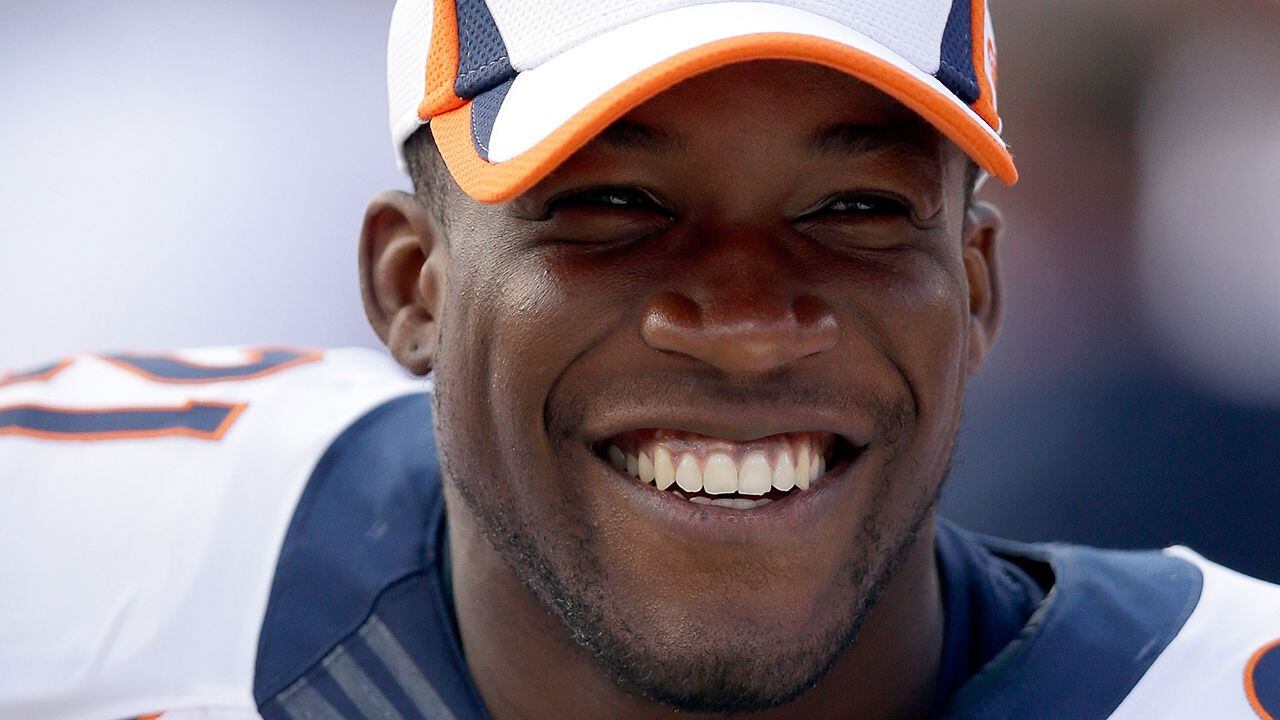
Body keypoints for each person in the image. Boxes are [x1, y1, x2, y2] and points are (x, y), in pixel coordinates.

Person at [1, 1, 1278, 719]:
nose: (741, 316)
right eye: (613, 205)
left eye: (852, 212)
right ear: (412, 287)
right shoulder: (70, 556)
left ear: (979, 291)